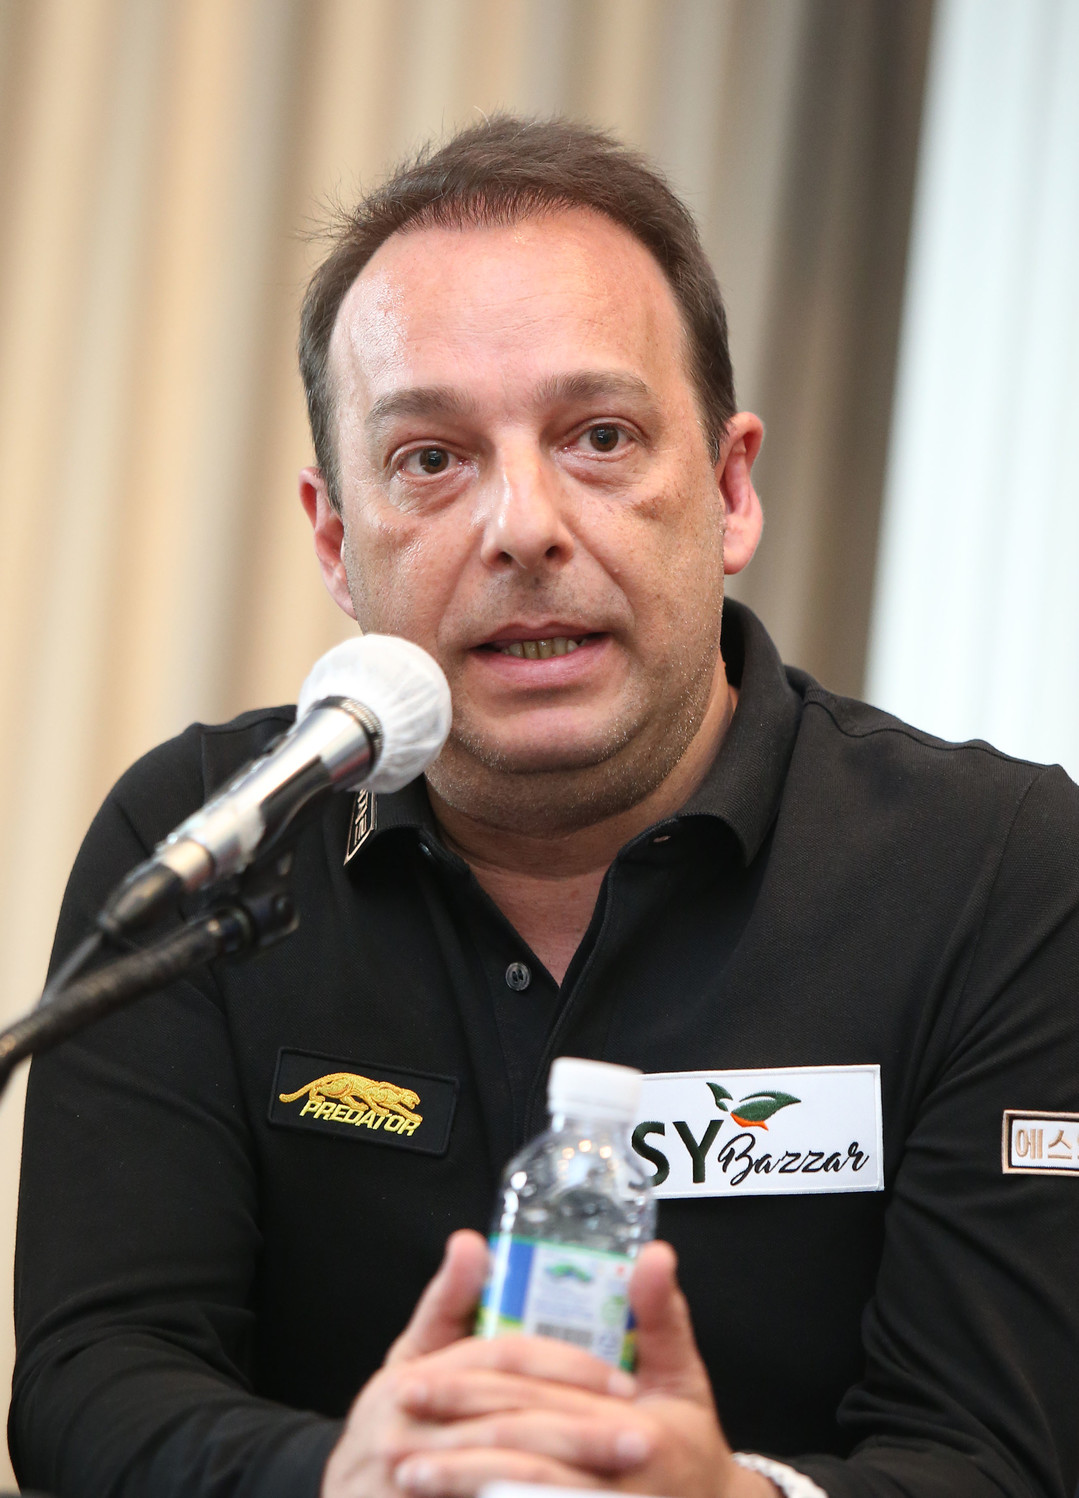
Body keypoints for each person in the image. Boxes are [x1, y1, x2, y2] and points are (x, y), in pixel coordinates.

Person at [10, 116, 1079, 1498]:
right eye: (431, 459)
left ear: (730, 488)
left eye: (600, 436)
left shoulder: (997, 871)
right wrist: (352, 1477)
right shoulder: (211, 835)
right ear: (335, 537)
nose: (523, 525)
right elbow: (93, 1379)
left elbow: (998, 1449)